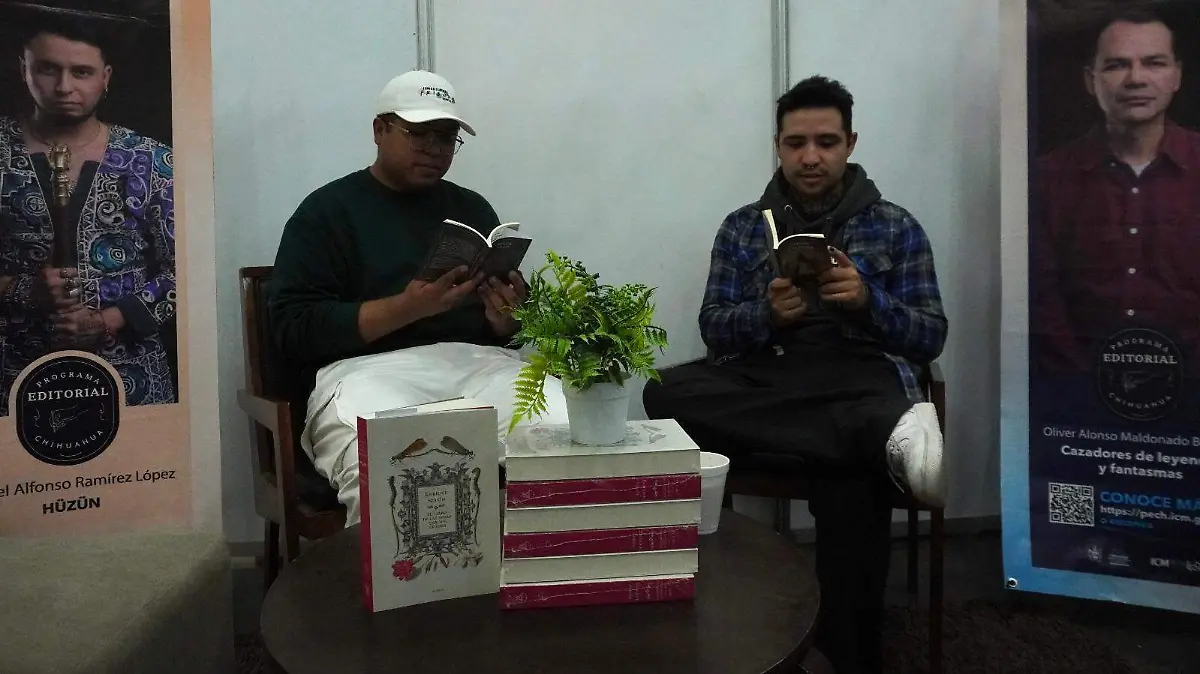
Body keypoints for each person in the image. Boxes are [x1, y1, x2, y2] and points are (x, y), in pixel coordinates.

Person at [642, 75, 947, 674]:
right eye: (796, 142)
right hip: (776, 379)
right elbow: (715, 327)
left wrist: (868, 302)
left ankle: (846, 655)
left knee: (851, 473)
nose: (811, 157)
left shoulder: (895, 225)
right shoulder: (742, 226)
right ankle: (878, 436)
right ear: (777, 146)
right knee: (665, 393)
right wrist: (766, 315)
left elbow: (929, 335)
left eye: (826, 142)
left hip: (858, 378)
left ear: (850, 144)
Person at [268, 70, 566, 526]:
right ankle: (404, 574)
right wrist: (408, 308)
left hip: (479, 365)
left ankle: (553, 564)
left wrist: (505, 319)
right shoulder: (325, 213)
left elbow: (502, 333)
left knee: (567, 434)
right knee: (388, 464)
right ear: (379, 130)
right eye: (418, 133)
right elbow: (294, 330)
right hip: (365, 371)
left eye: (445, 137)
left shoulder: (472, 208)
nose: (433, 148)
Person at [0, 10, 177, 416]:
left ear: (105, 77)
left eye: (81, 72)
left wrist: (111, 319)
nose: (64, 87)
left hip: (130, 378)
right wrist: (24, 291)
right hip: (13, 377)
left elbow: (188, 271)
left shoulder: (152, 160)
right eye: (48, 69)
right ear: (24, 69)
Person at [1032, 8, 1199, 375]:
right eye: (1117, 65)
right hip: (1078, 390)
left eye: (1154, 63)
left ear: (1177, 76)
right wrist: (1087, 385)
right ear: (1090, 81)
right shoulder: (1046, 178)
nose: (1136, 79)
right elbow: (1043, 303)